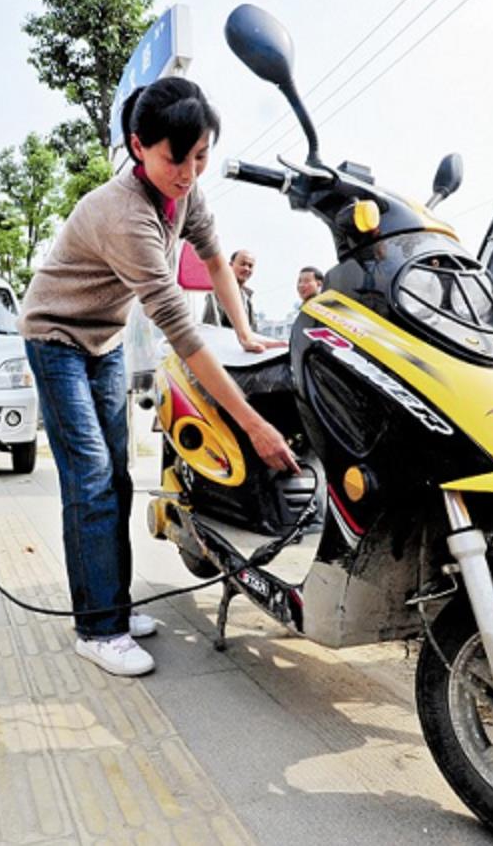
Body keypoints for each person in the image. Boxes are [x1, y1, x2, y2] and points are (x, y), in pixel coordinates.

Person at [18, 77, 298, 678]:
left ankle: (109, 604)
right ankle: (98, 628)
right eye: (177, 157)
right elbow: (182, 330)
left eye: (201, 156)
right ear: (138, 145)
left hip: (105, 338)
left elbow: (216, 258)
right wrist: (253, 427)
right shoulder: (123, 215)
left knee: (116, 479)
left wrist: (247, 334)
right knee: (90, 480)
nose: (189, 171)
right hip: (56, 337)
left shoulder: (186, 194)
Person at [202, 250, 257, 328]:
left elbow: (252, 331)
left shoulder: (246, 298)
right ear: (230, 265)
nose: (246, 269)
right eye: (243, 264)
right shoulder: (219, 292)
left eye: (250, 266)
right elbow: (211, 327)